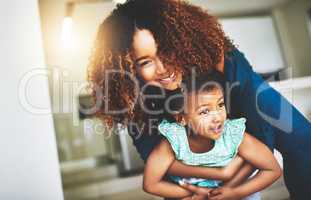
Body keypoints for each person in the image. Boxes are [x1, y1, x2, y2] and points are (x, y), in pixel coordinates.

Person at [87, 0, 311, 199]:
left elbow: (261, 132)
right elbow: (160, 166)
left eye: (165, 51)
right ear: (129, 69)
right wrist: (208, 182)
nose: (163, 69)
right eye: (145, 62)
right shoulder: (135, 98)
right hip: (194, 162)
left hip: (242, 96)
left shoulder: (218, 57)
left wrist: (232, 182)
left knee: (302, 139)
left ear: (180, 42)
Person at [143, 71, 282, 199]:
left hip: (238, 192)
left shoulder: (232, 134)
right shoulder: (174, 140)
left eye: (220, 105)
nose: (218, 117)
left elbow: (273, 169)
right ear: (181, 119)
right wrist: (195, 194)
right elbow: (150, 184)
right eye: (204, 112)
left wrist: (236, 193)